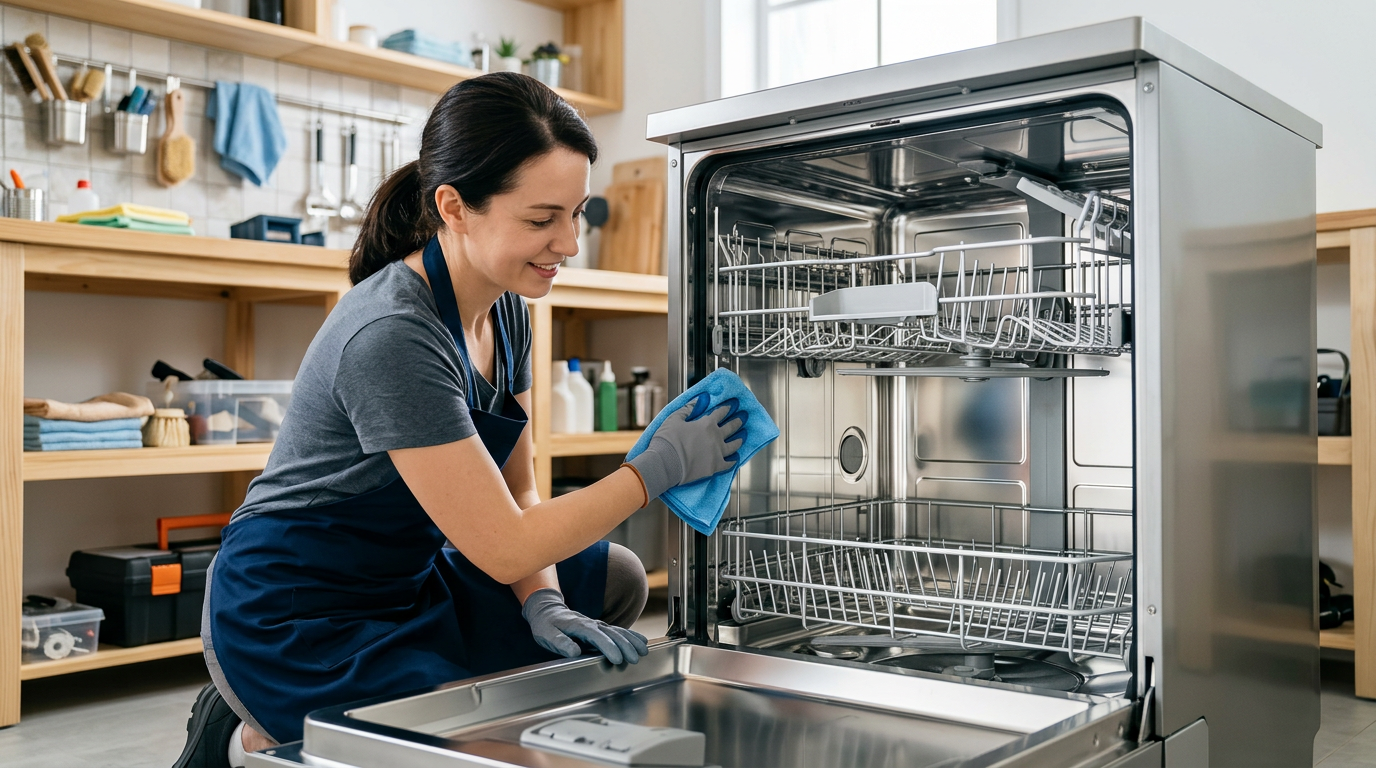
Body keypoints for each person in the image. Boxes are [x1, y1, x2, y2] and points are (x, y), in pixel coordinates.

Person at [173, 73, 742, 768]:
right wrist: (654, 471)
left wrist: (545, 604)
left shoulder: (508, 310)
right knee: (448, 746)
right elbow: (503, 547)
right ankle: (240, 738)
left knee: (614, 577)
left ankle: (381, 702)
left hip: (407, 577)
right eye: (541, 219)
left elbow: (520, 495)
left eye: (574, 214)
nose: (568, 243)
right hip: (300, 609)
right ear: (454, 207)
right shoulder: (391, 334)